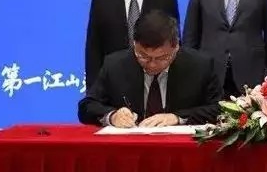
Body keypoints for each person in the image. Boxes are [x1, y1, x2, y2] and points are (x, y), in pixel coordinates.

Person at [78, 10, 222, 127]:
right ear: (134, 45)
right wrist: (112, 116)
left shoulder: (200, 65)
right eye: (144, 56)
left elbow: (219, 109)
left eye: (162, 58)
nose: (152, 64)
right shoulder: (115, 65)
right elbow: (87, 106)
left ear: (176, 47)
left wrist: (177, 117)